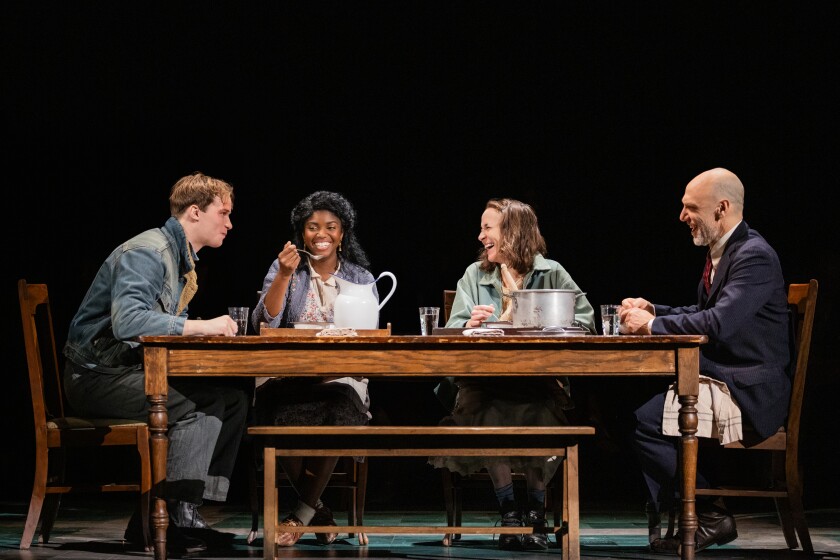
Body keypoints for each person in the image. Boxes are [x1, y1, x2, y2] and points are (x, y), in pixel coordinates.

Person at [62, 172, 249, 554]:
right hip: (97, 378)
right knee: (197, 409)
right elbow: (128, 321)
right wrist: (202, 327)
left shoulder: (178, 258)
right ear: (195, 212)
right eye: (224, 213)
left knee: (231, 401)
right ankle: (163, 516)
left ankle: (186, 510)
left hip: (125, 372)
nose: (229, 223)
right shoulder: (148, 252)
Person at [618, 168, 791, 554]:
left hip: (752, 389)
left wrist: (652, 325)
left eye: (690, 207)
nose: (682, 216)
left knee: (645, 421)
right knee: (640, 405)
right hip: (728, 375)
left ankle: (708, 514)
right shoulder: (726, 252)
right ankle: (701, 509)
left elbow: (719, 323)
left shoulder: (754, 256)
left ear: (722, 209)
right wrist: (654, 309)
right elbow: (702, 309)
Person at [430, 198, 596, 551]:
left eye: (488, 227)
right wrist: (470, 323)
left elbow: (586, 321)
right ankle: (509, 513)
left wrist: (550, 322)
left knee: (540, 418)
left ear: (513, 232)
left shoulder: (551, 272)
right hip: (484, 382)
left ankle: (536, 512)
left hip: (536, 380)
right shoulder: (475, 275)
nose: (481, 235)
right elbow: (452, 327)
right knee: (490, 416)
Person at [251, 190, 376, 547]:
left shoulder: (361, 277)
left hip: (340, 376)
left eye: (331, 227)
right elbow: (266, 323)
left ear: (343, 233)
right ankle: (318, 512)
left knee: (340, 409)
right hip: (290, 373)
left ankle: (300, 514)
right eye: (312, 227)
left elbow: (368, 333)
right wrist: (284, 277)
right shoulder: (284, 269)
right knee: (274, 412)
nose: (321, 234)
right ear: (300, 233)